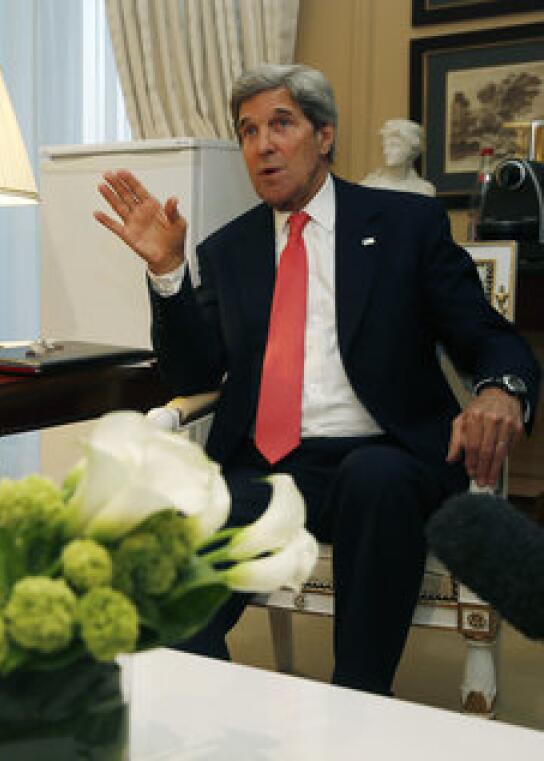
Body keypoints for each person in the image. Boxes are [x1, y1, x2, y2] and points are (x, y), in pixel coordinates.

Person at [94, 64, 539, 695]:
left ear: (323, 135)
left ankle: (356, 704)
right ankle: (229, 730)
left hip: (388, 457)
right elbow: (195, 374)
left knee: (373, 478)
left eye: (281, 124)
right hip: (268, 470)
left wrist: (502, 389)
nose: (263, 145)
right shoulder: (229, 249)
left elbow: (487, 336)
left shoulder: (404, 226)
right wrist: (169, 272)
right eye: (248, 132)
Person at [360, 118, 435, 196]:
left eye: (394, 145)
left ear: (411, 149)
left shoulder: (424, 189)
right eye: (385, 146)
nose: (386, 151)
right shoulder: (370, 186)